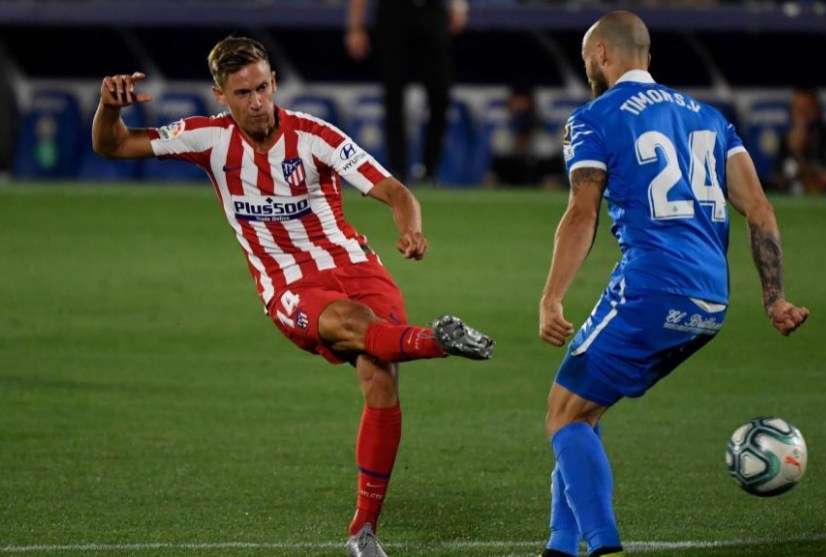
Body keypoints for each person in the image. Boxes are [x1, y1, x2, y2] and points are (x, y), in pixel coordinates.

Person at [91, 35, 494, 557]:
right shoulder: (206, 139)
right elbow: (113, 144)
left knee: (380, 378)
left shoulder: (314, 135)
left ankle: (363, 532)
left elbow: (394, 191)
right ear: (220, 95)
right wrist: (107, 108)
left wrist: (410, 229)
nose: (256, 102)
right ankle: (437, 341)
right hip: (290, 284)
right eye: (242, 94)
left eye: (262, 88)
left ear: (274, 83)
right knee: (354, 324)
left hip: (357, 265)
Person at [537, 12, 809, 557]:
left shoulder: (594, 118)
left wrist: (552, 295)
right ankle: (560, 547)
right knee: (585, 413)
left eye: (589, 57)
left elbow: (582, 213)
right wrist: (774, 297)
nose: (587, 67)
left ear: (606, 55)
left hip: (651, 287)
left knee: (563, 415)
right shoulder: (710, 119)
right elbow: (758, 207)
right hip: (711, 299)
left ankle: (602, 546)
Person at [345, 0, 468, 183]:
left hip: (430, 10)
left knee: (440, 92)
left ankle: (429, 169)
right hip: (393, 12)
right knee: (392, 95)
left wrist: (459, 5)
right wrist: (355, 26)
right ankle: (397, 169)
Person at [770, 88, 826, 195]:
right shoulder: (786, 140)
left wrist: (798, 154)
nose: (801, 117)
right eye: (796, 110)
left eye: (805, 110)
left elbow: (819, 189)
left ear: (817, 110)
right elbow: (777, 183)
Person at [486, 87, 564, 189]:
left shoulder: (546, 142)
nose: (521, 117)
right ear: (509, 112)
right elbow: (492, 180)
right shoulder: (501, 139)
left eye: (525, 111)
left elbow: (554, 183)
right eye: (517, 111)